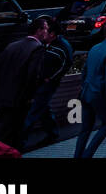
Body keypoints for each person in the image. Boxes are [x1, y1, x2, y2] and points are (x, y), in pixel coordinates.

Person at [0, 17, 49, 148]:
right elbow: (33, 75)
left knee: (4, 127)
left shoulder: (12, 45)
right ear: (39, 30)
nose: (47, 32)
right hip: (20, 98)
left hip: (4, 95)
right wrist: (30, 97)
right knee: (16, 130)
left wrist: (1, 87)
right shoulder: (37, 48)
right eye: (46, 29)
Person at [73, 22, 106, 158]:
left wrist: (84, 87)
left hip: (86, 92)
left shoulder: (94, 47)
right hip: (100, 94)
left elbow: (85, 71)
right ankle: (87, 155)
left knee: (85, 129)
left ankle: (77, 156)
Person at [23, 16, 71, 148]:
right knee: (43, 108)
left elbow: (65, 65)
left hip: (48, 83)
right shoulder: (49, 45)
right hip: (44, 82)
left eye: (47, 31)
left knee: (34, 111)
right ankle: (52, 132)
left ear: (53, 34)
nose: (44, 33)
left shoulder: (61, 47)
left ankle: (21, 140)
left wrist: (50, 78)